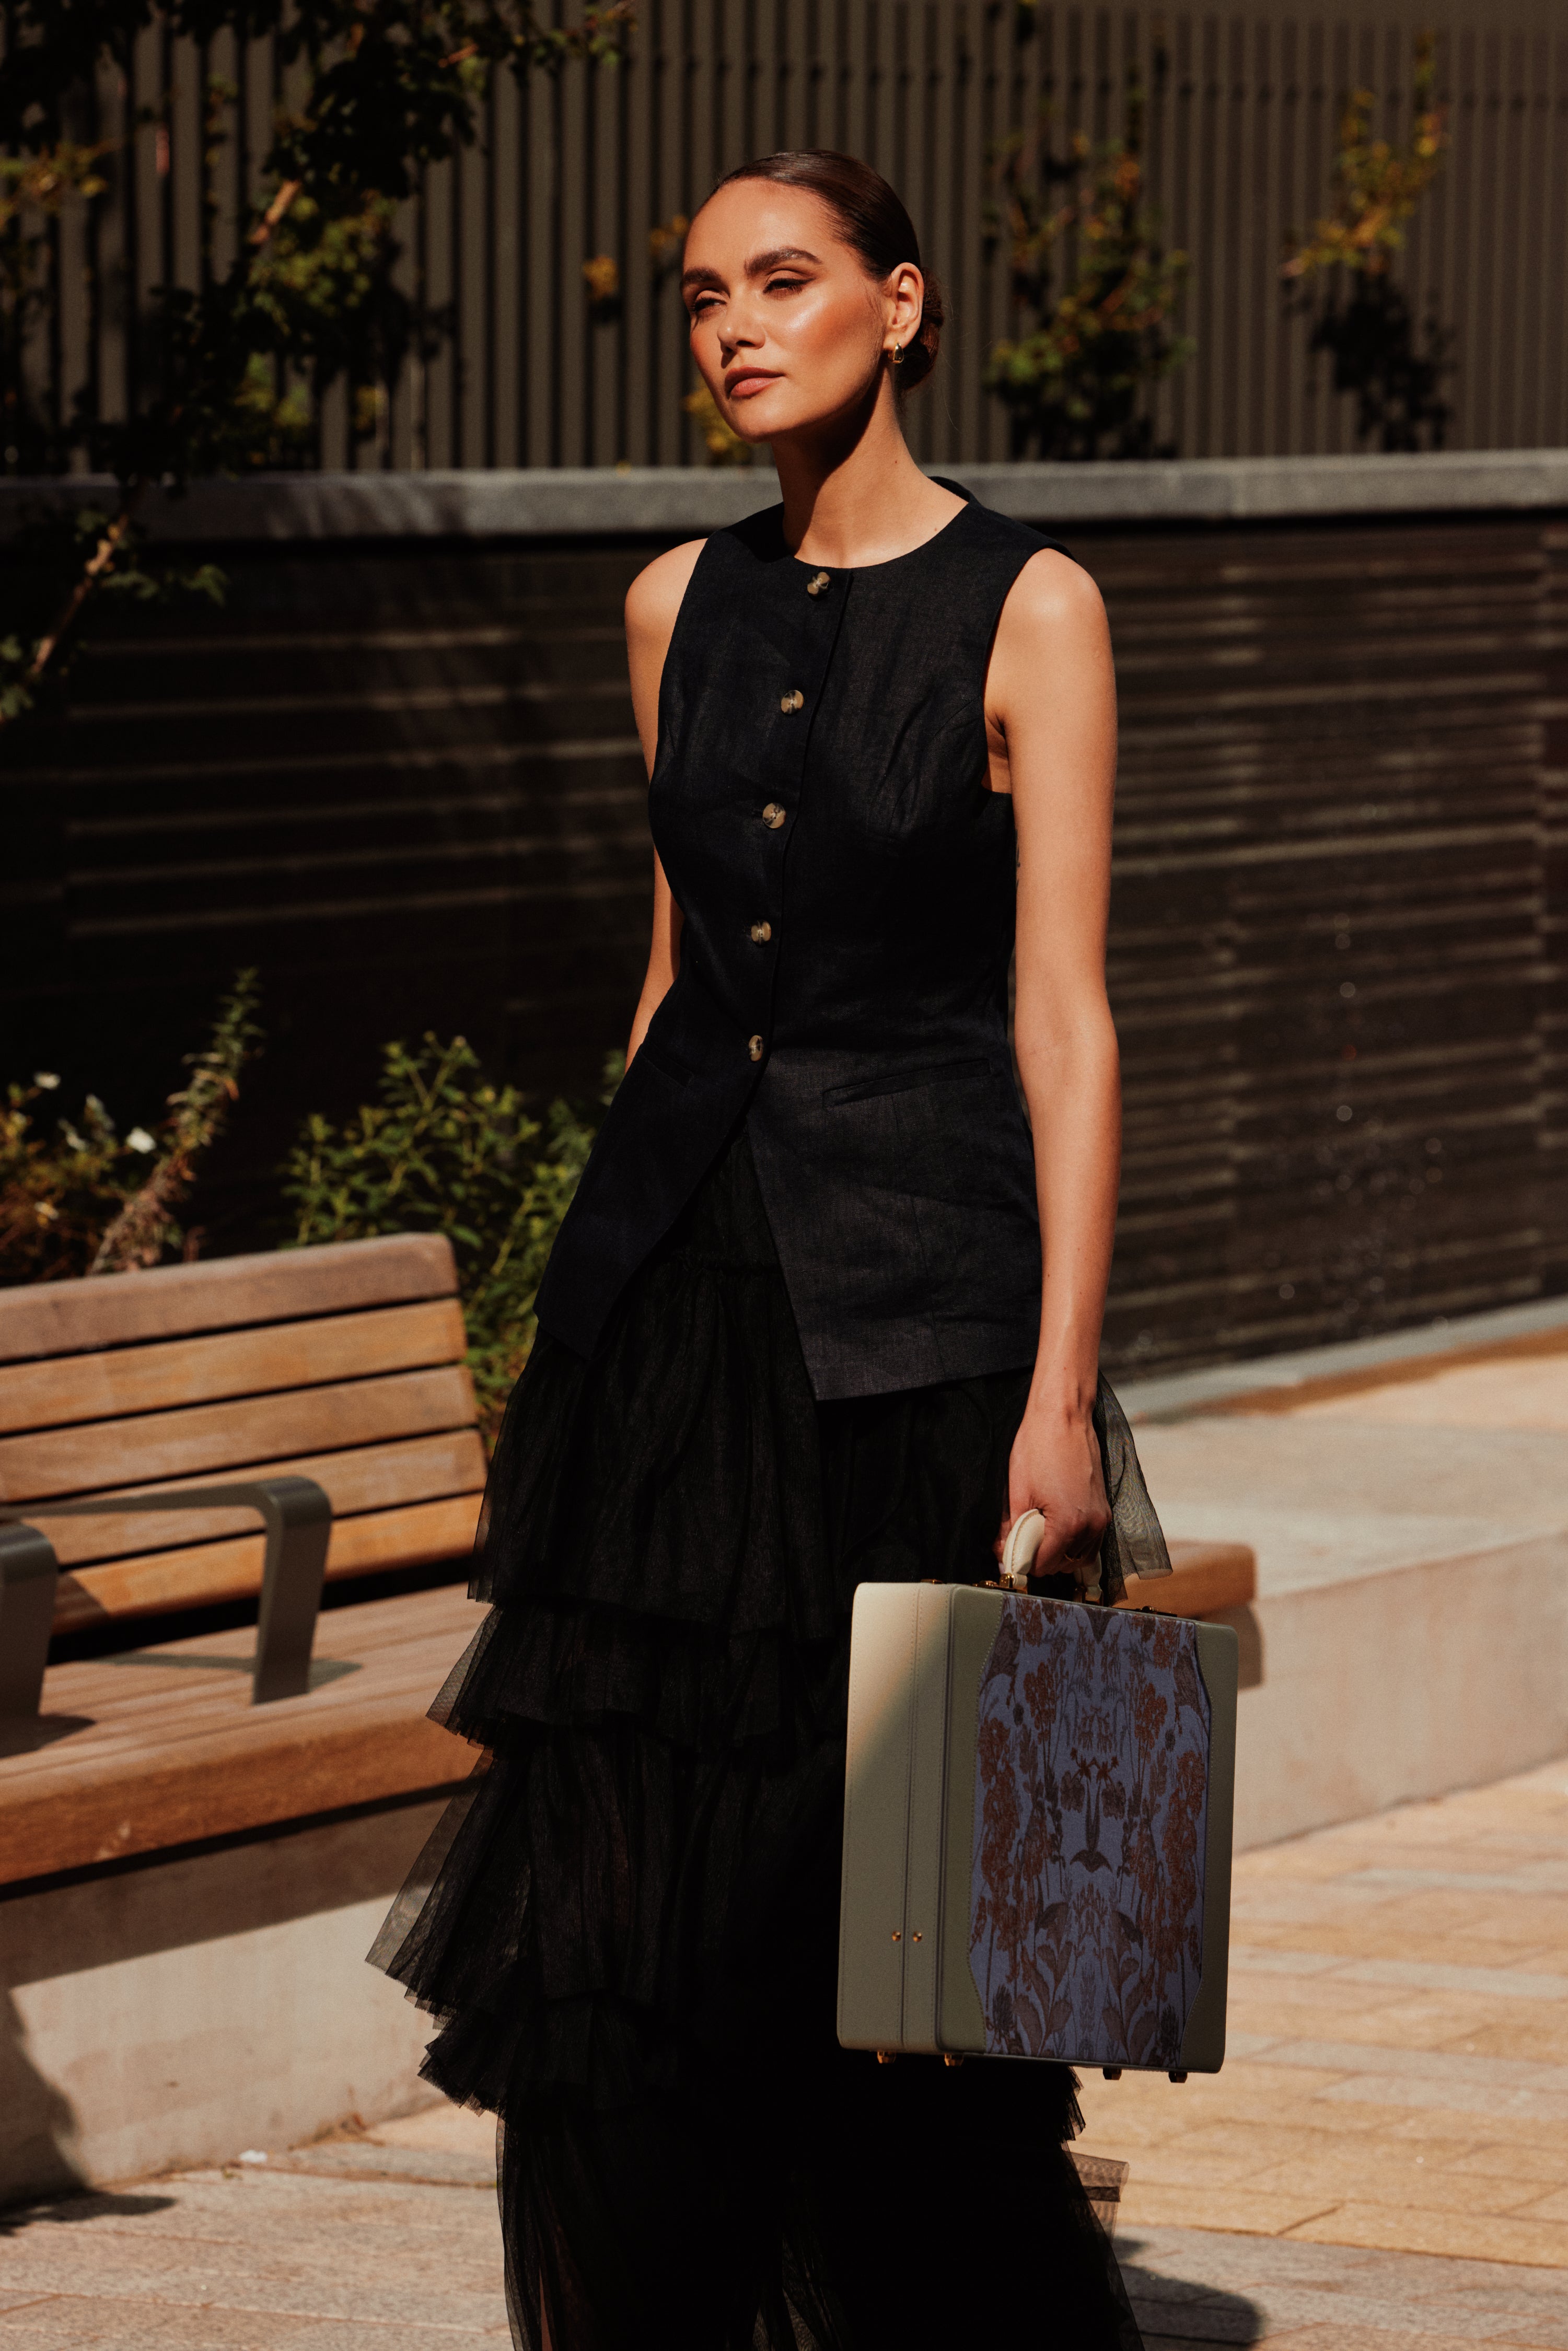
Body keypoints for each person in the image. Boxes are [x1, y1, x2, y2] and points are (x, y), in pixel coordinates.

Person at [371, 147, 1169, 2351]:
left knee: (912, 1951)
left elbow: (1067, 1020)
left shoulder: (1035, 610)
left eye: (786, 280)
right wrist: (585, 1319)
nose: (735, 324)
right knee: (637, 1936)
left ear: (901, 305)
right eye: (705, 292)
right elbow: (664, 993)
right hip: (674, 1333)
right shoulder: (665, 608)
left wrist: (1056, 1394)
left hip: (917, 1343)